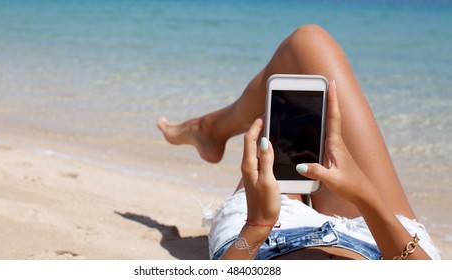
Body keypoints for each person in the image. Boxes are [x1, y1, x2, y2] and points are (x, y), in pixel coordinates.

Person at [157, 25, 441, 260]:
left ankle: (209, 130)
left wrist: (257, 225)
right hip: (388, 246)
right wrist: (364, 195)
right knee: (308, 45)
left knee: (286, 108)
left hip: (269, 241)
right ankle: (210, 130)